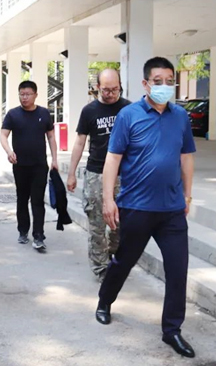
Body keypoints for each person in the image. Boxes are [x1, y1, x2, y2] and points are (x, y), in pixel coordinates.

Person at [96, 57, 196, 358]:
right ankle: (105, 300)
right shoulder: (129, 115)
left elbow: (186, 157)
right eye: (158, 81)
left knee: (178, 270)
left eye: (169, 81)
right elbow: (113, 159)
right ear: (145, 84)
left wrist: (188, 196)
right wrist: (108, 199)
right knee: (124, 260)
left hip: (172, 210)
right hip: (137, 207)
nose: (164, 86)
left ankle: (172, 330)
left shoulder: (181, 116)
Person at [66, 69, 131, 282]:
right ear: (97, 88)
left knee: (121, 225)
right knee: (97, 225)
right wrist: (72, 173)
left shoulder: (129, 109)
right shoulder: (89, 111)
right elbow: (79, 142)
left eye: (115, 89)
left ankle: (114, 258)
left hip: (124, 175)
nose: (111, 94)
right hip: (96, 174)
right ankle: (101, 269)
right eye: (106, 90)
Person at [0, 81, 58, 251]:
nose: (24, 97)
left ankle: (39, 235)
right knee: (22, 198)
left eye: (28, 94)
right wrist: (9, 151)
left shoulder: (44, 113)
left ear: (35, 95)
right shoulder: (13, 114)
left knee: (38, 200)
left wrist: (54, 159)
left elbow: (51, 137)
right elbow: (3, 135)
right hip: (20, 165)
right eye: (22, 94)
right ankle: (23, 231)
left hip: (39, 165)